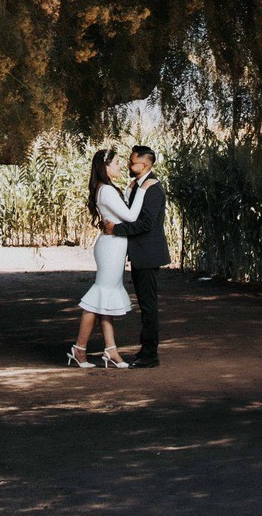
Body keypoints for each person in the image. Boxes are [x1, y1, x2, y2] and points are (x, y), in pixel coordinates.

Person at [68, 148, 152, 369]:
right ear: (105, 167)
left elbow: (120, 212)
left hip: (114, 246)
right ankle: (79, 349)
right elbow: (131, 216)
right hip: (110, 249)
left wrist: (130, 188)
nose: (119, 167)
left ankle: (111, 350)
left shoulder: (106, 189)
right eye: (115, 163)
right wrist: (143, 188)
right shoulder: (105, 190)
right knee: (97, 299)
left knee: (104, 299)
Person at [104, 144, 169, 368]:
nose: (130, 165)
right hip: (141, 253)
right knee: (145, 304)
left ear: (145, 165)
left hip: (149, 254)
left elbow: (145, 224)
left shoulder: (153, 189)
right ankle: (147, 351)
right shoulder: (138, 185)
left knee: (149, 306)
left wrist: (116, 230)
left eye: (132, 162)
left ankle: (150, 354)